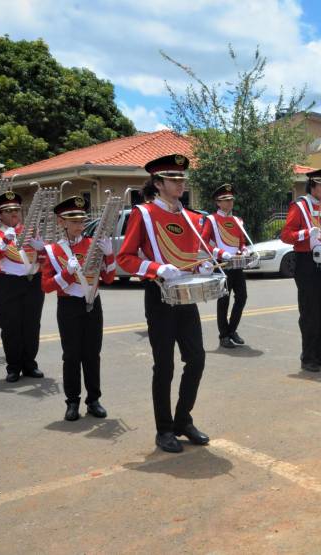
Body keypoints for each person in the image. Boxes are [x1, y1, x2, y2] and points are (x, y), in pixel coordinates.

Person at [117, 154, 214, 453]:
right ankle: (164, 429)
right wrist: (157, 269)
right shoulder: (143, 214)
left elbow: (198, 251)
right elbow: (125, 258)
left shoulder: (190, 216)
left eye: (182, 178)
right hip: (159, 296)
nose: (181, 183)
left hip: (187, 296)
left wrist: (204, 264)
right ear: (158, 184)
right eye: (174, 179)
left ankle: (183, 420)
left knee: (196, 359)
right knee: (165, 366)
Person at [41, 195, 115, 421]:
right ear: (61, 222)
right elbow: (45, 286)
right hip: (69, 306)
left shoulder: (94, 244)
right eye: (73, 221)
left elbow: (109, 278)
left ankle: (94, 400)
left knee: (93, 354)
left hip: (93, 303)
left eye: (82, 221)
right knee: (71, 355)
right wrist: (66, 272)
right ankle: (72, 402)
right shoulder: (53, 251)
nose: (79, 225)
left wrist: (109, 254)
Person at [0, 191, 46, 382]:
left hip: (32, 282)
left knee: (32, 325)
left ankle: (30, 364)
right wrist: (3, 243)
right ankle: (14, 367)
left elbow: (43, 261)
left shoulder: (31, 231)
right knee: (11, 327)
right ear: (0, 214)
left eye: (16, 209)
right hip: (4, 284)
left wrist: (42, 249)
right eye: (9, 210)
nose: (15, 213)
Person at [280, 168, 321, 373]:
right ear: (312, 185)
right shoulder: (299, 206)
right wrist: (306, 233)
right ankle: (308, 357)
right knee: (310, 311)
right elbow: (286, 235)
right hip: (307, 262)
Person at [204, 184, 249, 349]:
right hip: (222, 265)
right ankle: (224, 335)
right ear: (218, 202)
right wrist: (221, 252)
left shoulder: (237, 220)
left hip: (237, 265)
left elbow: (241, 242)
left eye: (231, 199)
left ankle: (232, 330)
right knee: (223, 301)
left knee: (242, 298)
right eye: (225, 200)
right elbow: (202, 244)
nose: (230, 203)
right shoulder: (211, 220)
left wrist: (244, 250)